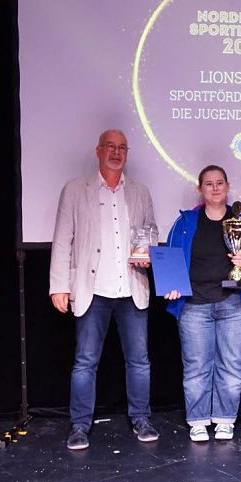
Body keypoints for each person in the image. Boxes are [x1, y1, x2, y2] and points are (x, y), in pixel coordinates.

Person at [50, 128, 159, 450]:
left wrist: (147, 254)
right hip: (91, 289)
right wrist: (59, 286)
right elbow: (62, 240)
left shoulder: (140, 191)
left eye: (122, 147)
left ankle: (141, 418)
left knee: (139, 361)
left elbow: (150, 232)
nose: (116, 152)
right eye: (110, 146)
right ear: (98, 151)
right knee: (85, 362)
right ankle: (80, 426)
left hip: (132, 287)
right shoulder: (75, 189)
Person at [164, 165, 241, 441]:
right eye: (208, 184)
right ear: (200, 189)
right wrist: (170, 285)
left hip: (233, 304)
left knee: (231, 364)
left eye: (220, 182)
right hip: (194, 305)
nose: (215, 188)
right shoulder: (185, 222)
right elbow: (171, 258)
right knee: (197, 366)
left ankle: (224, 419)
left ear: (228, 186)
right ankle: (197, 420)